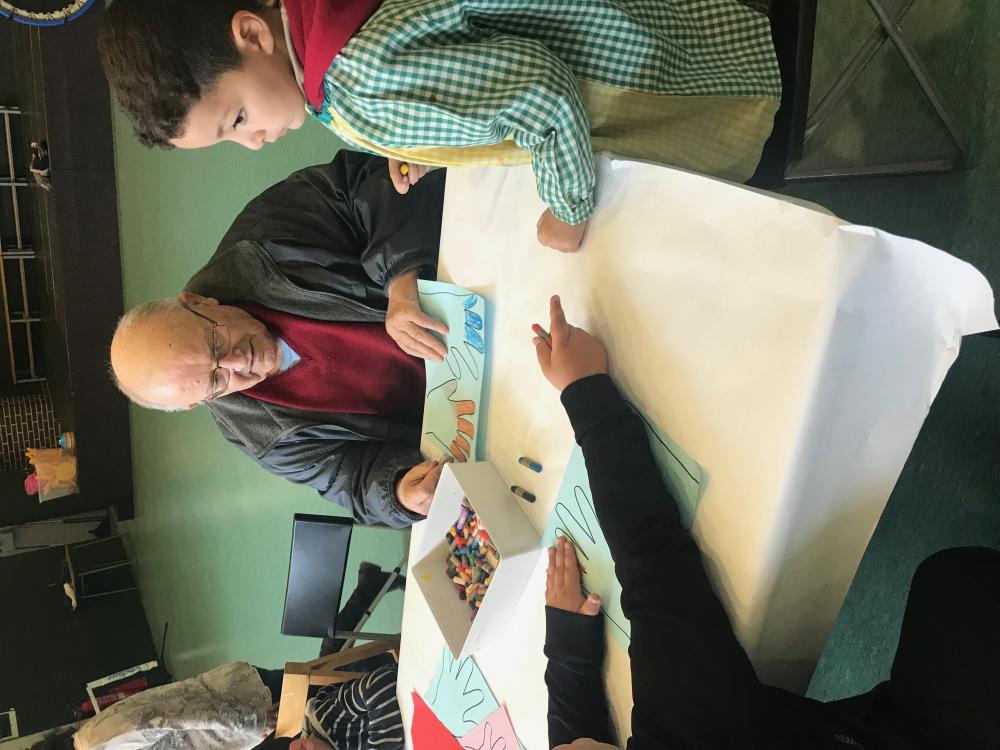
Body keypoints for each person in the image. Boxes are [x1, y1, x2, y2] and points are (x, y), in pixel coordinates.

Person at [535, 295, 1000, 749]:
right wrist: (586, 393)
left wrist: (570, 656)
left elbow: (572, 737)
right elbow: (652, 557)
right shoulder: (682, 724)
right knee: (959, 586)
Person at [97, 0, 782, 253]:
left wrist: (569, 210)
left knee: (768, 113)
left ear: (251, 34)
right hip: (636, 23)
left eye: (237, 118)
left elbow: (544, 94)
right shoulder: (320, 25)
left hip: (653, 81)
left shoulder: (358, 81)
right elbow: (456, 41)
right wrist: (424, 139)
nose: (252, 142)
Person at [109, 151, 467, 527]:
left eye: (215, 343)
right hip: (473, 408)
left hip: (476, 278)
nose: (238, 362)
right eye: (216, 379)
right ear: (196, 403)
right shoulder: (258, 434)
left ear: (199, 302)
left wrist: (401, 279)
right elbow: (350, 479)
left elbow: (367, 183)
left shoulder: (264, 238)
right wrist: (399, 491)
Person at [33, 663, 278, 750]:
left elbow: (172, 715)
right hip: (240, 725)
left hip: (248, 704)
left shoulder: (96, 741)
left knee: (304, 693)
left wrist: (251, 722)